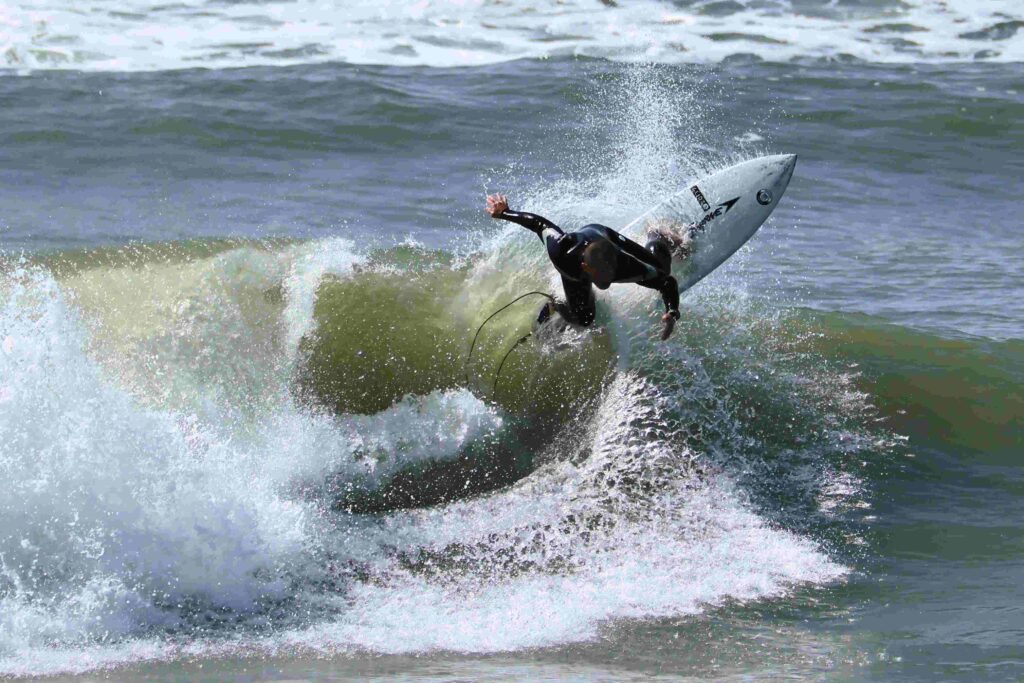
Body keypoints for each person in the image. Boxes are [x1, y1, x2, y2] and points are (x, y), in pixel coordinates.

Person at [486, 194, 686, 340]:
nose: (607, 283)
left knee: (661, 269)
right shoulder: (560, 250)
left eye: (610, 276)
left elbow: (667, 283)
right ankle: (555, 304)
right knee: (585, 319)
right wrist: (505, 213)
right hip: (576, 264)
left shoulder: (622, 266)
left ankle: (657, 234)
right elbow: (539, 224)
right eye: (603, 278)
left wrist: (672, 312)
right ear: (587, 268)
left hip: (603, 235)